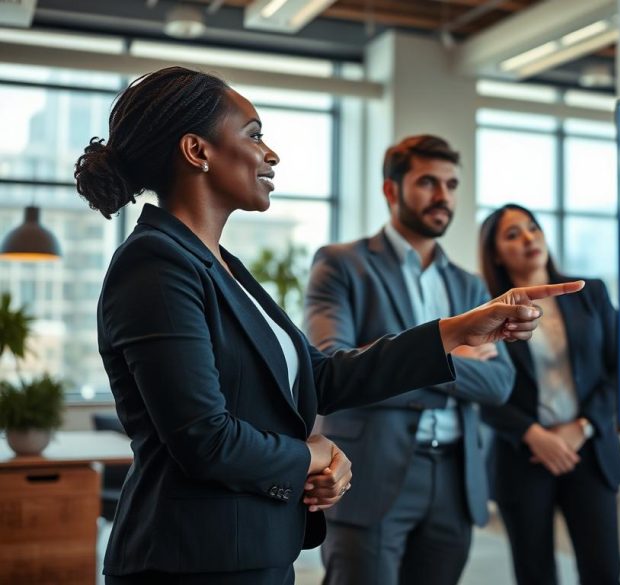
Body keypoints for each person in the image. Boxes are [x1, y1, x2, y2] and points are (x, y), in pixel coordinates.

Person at [74, 67, 582, 585]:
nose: (271, 154)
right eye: (254, 135)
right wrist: (311, 456)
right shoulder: (156, 265)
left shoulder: (219, 265)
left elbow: (322, 378)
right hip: (189, 560)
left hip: (253, 549)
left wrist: (455, 331)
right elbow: (205, 439)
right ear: (197, 151)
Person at [303, 134, 513, 585]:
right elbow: (330, 365)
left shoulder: (470, 286)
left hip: (455, 477)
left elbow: (499, 384)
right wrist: (453, 353)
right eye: (427, 182)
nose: (443, 196)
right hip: (371, 471)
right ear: (390, 189)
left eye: (452, 184)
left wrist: (391, 356)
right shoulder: (342, 265)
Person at [478, 204, 620, 585]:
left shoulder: (589, 293)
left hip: (589, 451)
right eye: (513, 234)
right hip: (523, 455)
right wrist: (532, 433)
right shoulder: (487, 311)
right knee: (535, 574)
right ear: (495, 252)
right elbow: (479, 389)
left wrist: (583, 426)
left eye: (533, 228)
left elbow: (619, 369)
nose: (529, 238)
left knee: (604, 571)